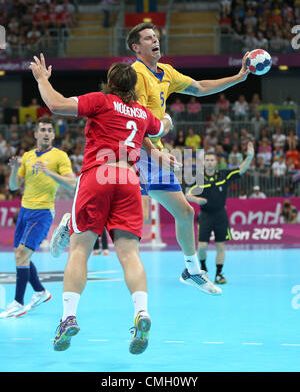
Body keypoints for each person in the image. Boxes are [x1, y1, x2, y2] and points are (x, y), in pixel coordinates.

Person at [30, 54, 174, 354]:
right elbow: (162, 128)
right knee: (130, 254)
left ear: (110, 83)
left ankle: (68, 317)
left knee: (80, 249)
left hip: (98, 174)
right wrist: (166, 122)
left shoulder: (101, 101)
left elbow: (56, 105)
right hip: (129, 180)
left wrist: (42, 79)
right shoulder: (142, 113)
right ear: (134, 86)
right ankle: (142, 313)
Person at [126, 22, 250, 291]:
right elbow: (134, 121)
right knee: (130, 214)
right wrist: (155, 152)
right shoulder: (135, 74)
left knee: (183, 212)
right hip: (135, 150)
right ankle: (75, 222)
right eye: (148, 38)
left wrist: (236, 78)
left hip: (154, 152)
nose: (155, 40)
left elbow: (199, 87)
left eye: (156, 36)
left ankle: (192, 271)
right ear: (136, 47)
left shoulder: (166, 72)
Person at [0, 116, 76, 318]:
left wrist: (50, 173)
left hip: (42, 213)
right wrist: (15, 169)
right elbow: (15, 187)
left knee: (21, 255)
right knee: (21, 256)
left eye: (49, 130)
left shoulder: (60, 156)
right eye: (42, 130)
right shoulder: (27, 156)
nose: (46, 133)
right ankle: (41, 292)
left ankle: (18, 303)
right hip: (25, 211)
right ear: (35, 134)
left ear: (53, 134)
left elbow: (72, 183)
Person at [186, 142, 255, 284]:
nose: (210, 162)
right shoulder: (199, 179)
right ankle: (203, 270)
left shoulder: (224, 175)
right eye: (207, 160)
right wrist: (196, 200)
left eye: (212, 160)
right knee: (202, 247)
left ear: (216, 162)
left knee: (220, 246)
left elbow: (241, 170)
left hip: (220, 216)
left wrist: (249, 157)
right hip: (205, 216)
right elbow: (187, 194)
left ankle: (219, 275)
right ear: (204, 162)